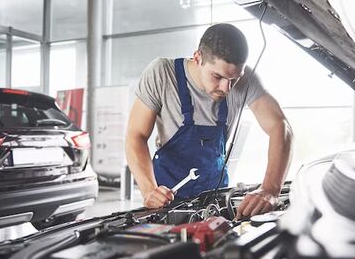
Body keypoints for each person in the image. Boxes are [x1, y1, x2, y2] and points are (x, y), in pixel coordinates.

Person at [125, 23, 293, 219]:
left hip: (215, 200)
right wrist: (149, 191)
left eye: (234, 79)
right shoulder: (162, 74)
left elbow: (280, 127)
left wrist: (270, 189)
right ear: (198, 58)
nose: (227, 88)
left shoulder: (246, 80)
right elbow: (135, 136)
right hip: (165, 203)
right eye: (218, 76)